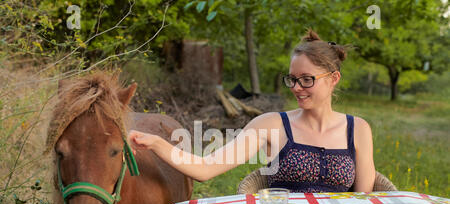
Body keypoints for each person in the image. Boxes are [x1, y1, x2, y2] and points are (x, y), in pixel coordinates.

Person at [128, 29, 376, 193]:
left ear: (333, 79)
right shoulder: (270, 125)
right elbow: (205, 168)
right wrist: (156, 143)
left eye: (307, 80)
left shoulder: (359, 130)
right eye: (292, 79)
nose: (297, 88)